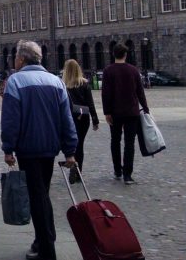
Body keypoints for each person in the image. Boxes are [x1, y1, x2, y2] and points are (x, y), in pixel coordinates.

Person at [1, 41, 77, 260]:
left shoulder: (15, 82)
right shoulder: (56, 81)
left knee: (37, 198)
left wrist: (8, 148)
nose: (14, 61)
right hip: (49, 149)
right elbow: (66, 120)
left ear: (22, 59)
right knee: (42, 194)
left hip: (28, 149)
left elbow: (10, 121)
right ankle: (43, 240)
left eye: (15, 57)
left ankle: (47, 250)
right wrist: (70, 150)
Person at [101, 43, 149, 185]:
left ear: (113, 54)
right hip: (131, 112)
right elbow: (140, 92)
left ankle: (117, 170)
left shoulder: (108, 71)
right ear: (126, 55)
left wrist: (107, 112)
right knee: (130, 143)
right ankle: (128, 175)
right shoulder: (133, 70)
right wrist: (146, 108)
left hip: (115, 112)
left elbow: (105, 94)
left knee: (115, 141)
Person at [62, 59, 98, 184]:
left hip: (69, 118)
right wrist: (95, 120)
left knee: (71, 144)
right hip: (83, 117)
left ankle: (72, 164)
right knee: (80, 145)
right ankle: (78, 172)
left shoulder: (63, 85)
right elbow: (90, 104)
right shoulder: (84, 84)